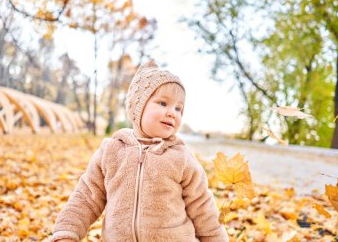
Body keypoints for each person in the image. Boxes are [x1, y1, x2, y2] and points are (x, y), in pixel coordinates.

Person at [50, 59, 229, 242]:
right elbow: (86, 198)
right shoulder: (112, 151)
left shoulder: (181, 158)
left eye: (178, 108)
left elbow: (203, 207)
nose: (172, 112)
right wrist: (66, 233)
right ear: (138, 106)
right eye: (162, 103)